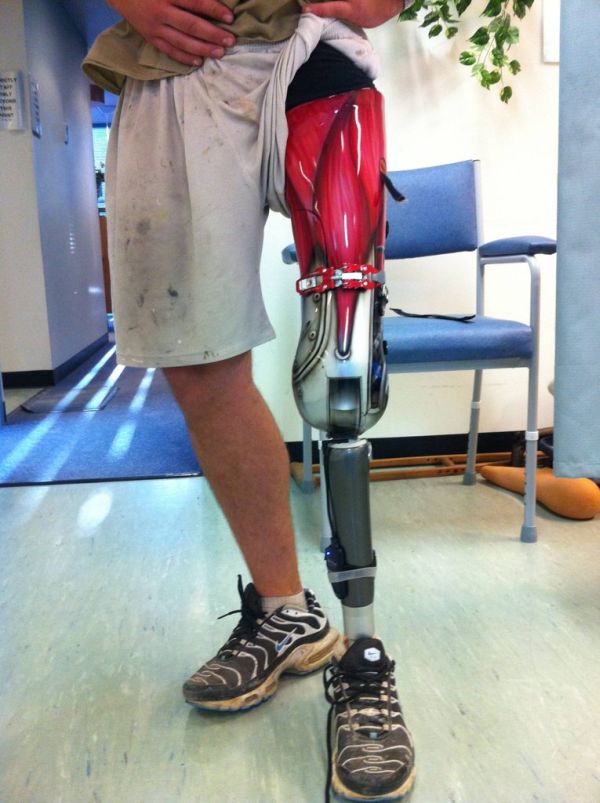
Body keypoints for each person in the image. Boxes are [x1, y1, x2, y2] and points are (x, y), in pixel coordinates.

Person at [84, 1, 415, 799]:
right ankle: (286, 611)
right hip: (170, 65)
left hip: (311, 51)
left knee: (343, 353)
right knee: (194, 362)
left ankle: (362, 657)